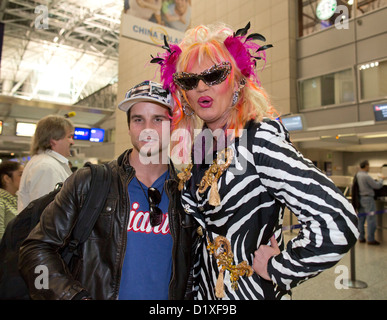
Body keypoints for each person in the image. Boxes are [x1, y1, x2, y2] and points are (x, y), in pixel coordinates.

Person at [151, 22, 359, 300]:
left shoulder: (259, 139)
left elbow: (338, 220)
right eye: (190, 80)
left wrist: (280, 267)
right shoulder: (199, 150)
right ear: (184, 95)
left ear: (237, 81)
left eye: (214, 75)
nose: (201, 87)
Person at [19, 81, 195, 300]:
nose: (148, 129)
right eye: (138, 119)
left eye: (158, 119)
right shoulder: (90, 183)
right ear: (129, 126)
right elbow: (34, 251)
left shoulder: (187, 192)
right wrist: (70, 297)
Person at [17, 115, 74, 212]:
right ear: (53, 140)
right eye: (69, 137)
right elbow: (46, 213)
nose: (72, 142)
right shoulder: (47, 167)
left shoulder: (48, 163)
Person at [356, 160, 385, 245]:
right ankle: (370, 239)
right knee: (371, 219)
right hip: (368, 199)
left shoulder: (358, 175)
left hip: (360, 198)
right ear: (365, 166)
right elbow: (376, 186)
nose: (369, 168)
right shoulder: (366, 176)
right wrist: (381, 180)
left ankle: (361, 238)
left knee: (361, 219)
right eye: (368, 166)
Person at [0, 161, 24, 240]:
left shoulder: (18, 199)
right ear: (7, 178)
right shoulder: (1, 201)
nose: (24, 177)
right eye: (20, 174)